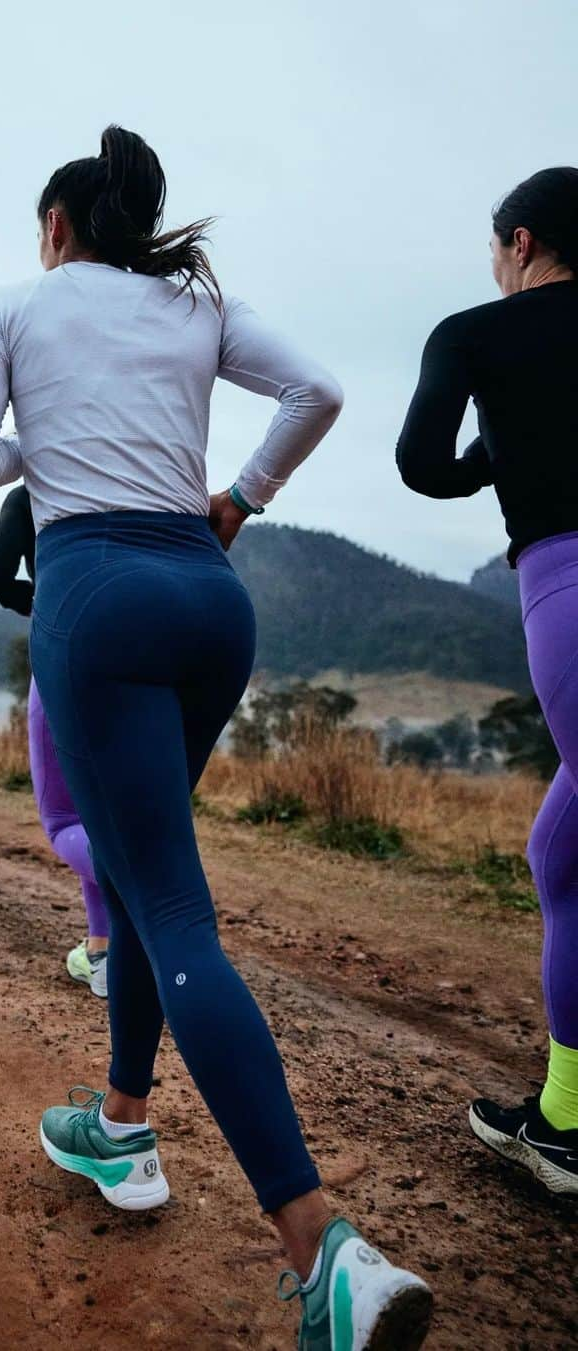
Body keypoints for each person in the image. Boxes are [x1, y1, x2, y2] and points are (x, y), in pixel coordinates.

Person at [0, 126, 432, 1347]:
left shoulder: (19, 302)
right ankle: (118, 1118)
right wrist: (242, 497)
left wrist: (39, 450)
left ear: (58, 227)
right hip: (211, 595)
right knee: (133, 865)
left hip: (94, 590)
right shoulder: (197, 304)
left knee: (170, 910)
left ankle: (323, 1246)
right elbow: (320, 389)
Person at [398, 166, 578, 1196]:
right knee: (559, 853)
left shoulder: (476, 333)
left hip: (566, 582)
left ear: (518, 243)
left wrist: (486, 455)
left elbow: (424, 464)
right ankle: (562, 1117)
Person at [0, 485, 110, 996]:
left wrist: (36, 604)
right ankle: (100, 948)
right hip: (149, 645)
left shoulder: (31, 493)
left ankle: (143, 916)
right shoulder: (132, 476)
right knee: (102, 812)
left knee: (66, 821)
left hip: (66, 648)